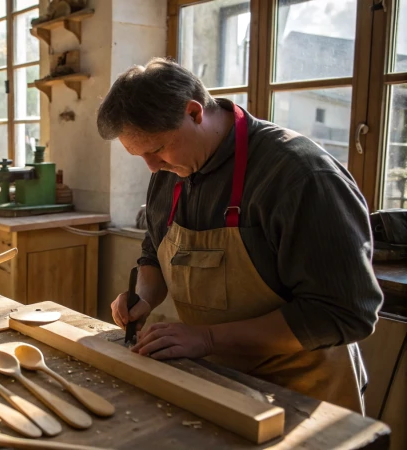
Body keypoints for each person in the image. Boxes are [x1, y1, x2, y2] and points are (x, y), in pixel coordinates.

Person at [97, 58, 383, 413]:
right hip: (220, 377)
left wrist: (208, 337)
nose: (152, 167)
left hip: (304, 389)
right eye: (139, 155)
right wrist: (143, 296)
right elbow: (153, 251)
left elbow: (346, 312)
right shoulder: (170, 171)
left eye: (156, 149)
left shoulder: (300, 175)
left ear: (193, 112)